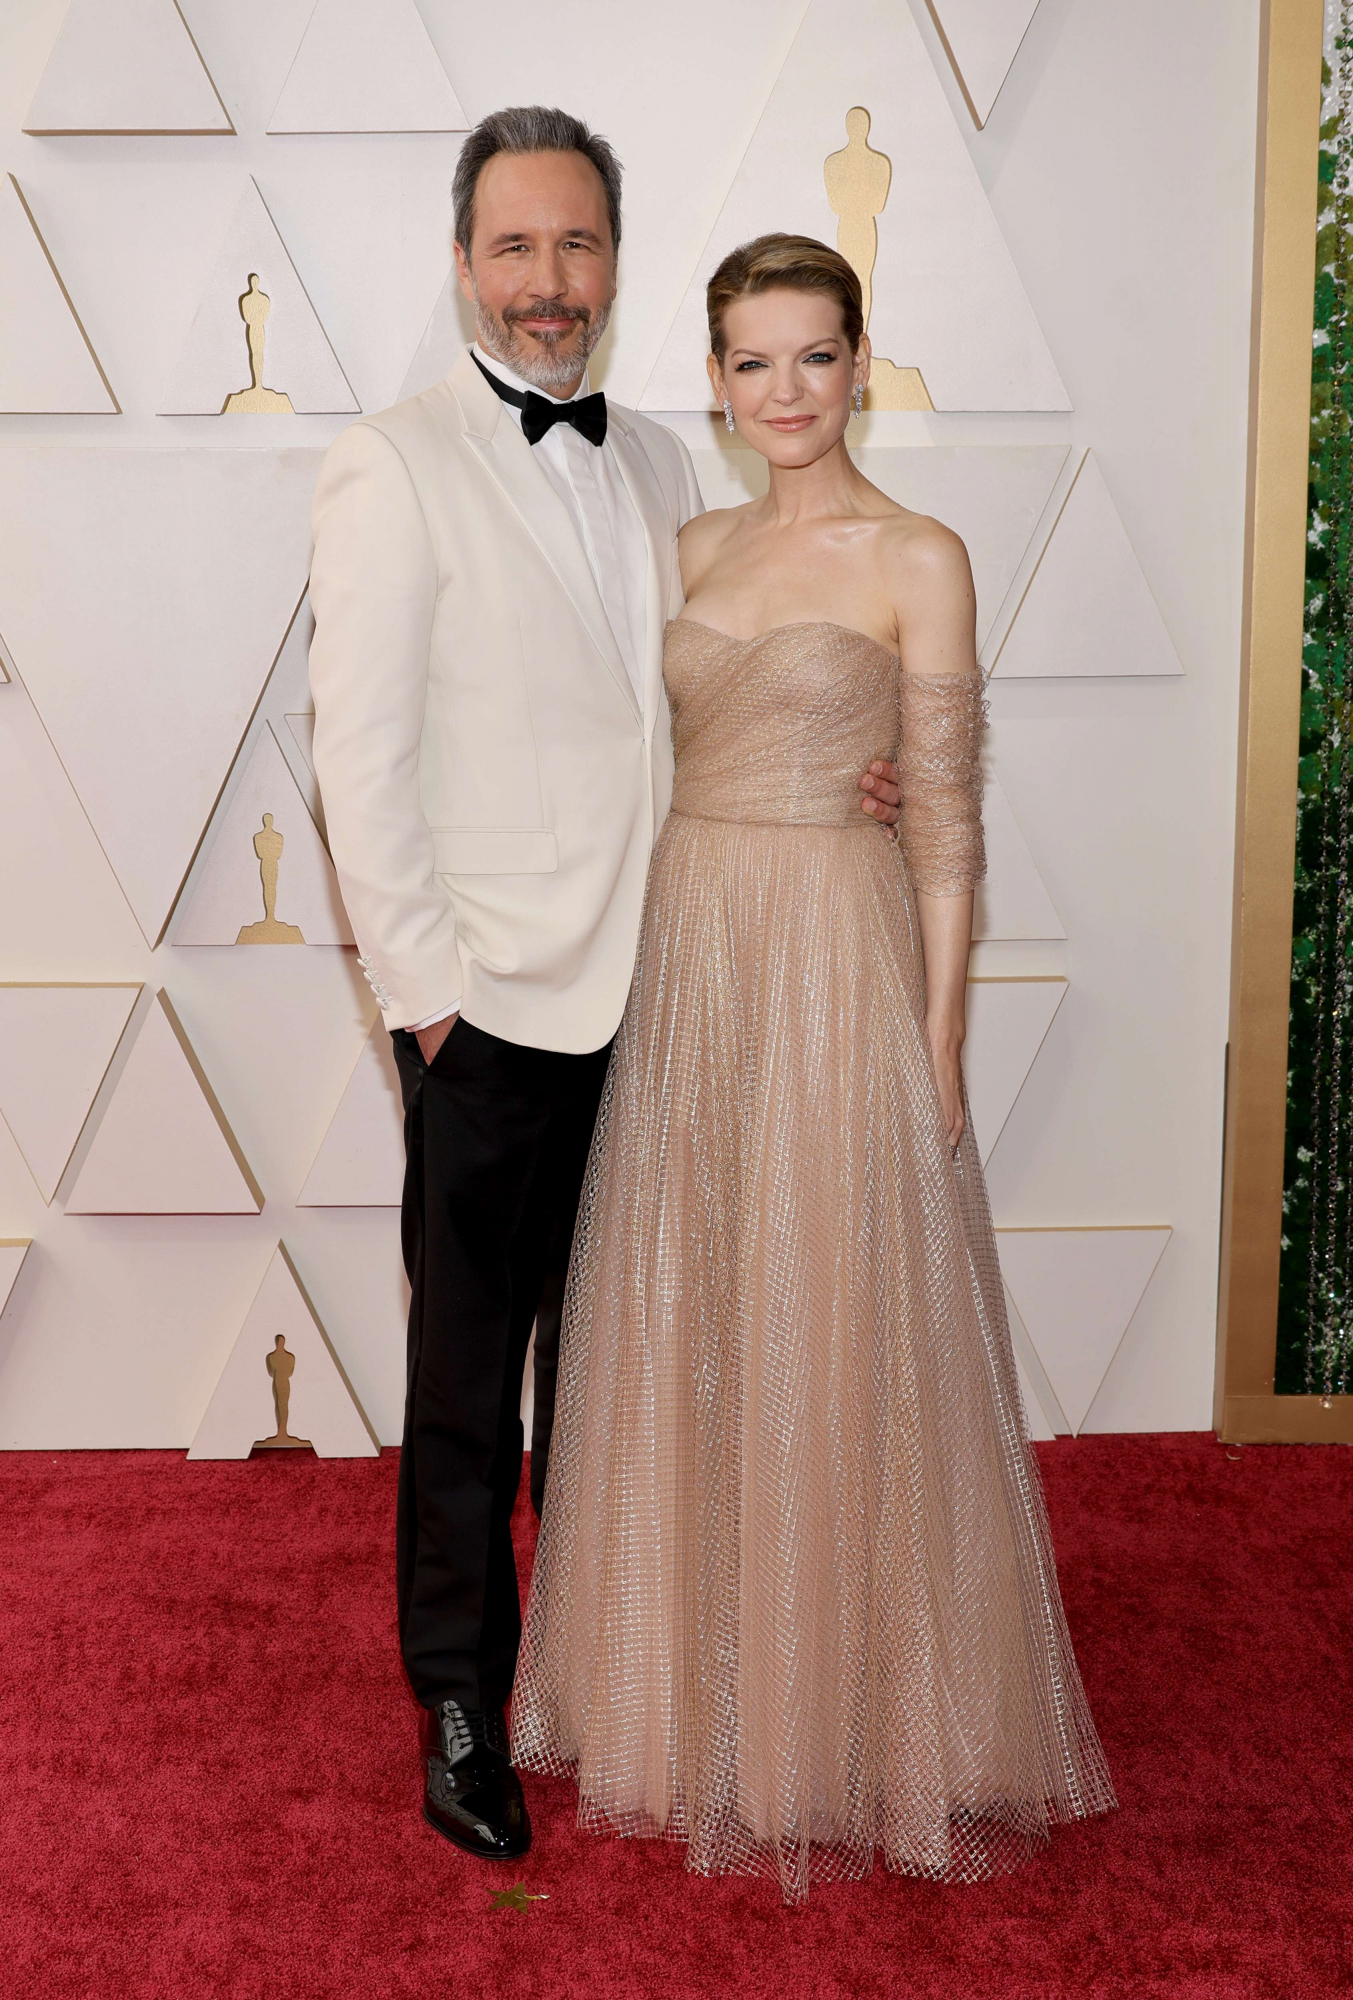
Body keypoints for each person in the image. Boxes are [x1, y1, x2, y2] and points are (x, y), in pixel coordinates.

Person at [307, 118, 904, 1864]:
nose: (547, 284)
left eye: (576, 249)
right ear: (462, 262)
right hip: (489, 1002)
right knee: (466, 1381)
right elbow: (361, 756)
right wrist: (427, 1000)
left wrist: (852, 768)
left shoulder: (660, 468)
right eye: (514, 249)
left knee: (631, 1372)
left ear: (616, 265)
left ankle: (609, 1669)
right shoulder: (390, 462)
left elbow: (714, 691)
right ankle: (462, 1698)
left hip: (669, 992)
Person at [512, 233, 1116, 1903]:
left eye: (815, 356)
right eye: (752, 362)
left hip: (836, 960)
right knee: (696, 1313)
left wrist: (933, 1040)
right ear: (711, 378)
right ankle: (695, 1700)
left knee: (831, 1316)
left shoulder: (918, 554)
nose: (785, 391)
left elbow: (944, 821)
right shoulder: (688, 541)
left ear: (861, 362)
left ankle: (843, 1716)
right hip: (691, 949)